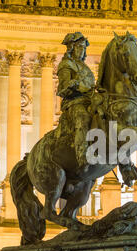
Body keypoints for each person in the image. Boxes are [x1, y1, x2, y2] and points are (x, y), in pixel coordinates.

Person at [57, 32, 95, 171]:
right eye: (79, 47)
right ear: (71, 48)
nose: (82, 50)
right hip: (74, 103)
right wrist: (73, 85)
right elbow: (62, 89)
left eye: (84, 47)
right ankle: (82, 156)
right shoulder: (66, 65)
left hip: (90, 102)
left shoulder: (85, 68)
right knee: (82, 118)